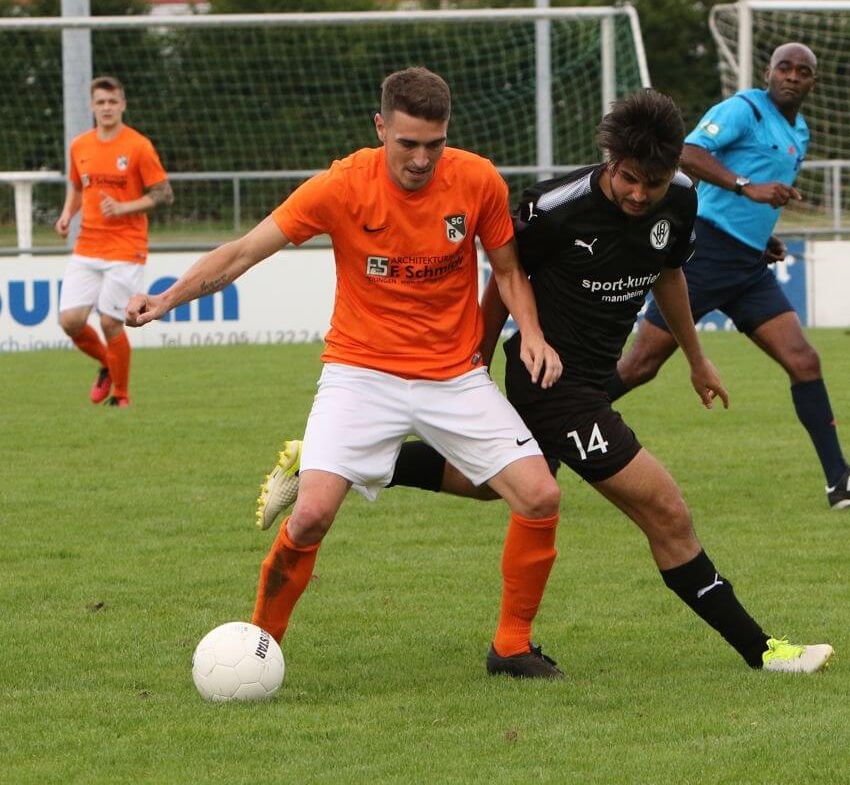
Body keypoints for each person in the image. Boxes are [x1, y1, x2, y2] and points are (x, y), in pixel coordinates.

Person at [258, 89, 834, 675]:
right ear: (610, 161)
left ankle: (330, 463)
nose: (639, 194)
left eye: (653, 183)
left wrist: (696, 357)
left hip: (594, 377)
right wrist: (477, 363)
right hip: (552, 383)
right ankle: (763, 652)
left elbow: (668, 276)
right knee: (666, 512)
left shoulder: (681, 198)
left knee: (493, 487)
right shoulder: (555, 207)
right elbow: (504, 280)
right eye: (629, 179)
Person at [127, 67, 567, 679]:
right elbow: (242, 253)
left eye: (434, 145)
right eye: (407, 143)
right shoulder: (340, 186)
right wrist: (164, 299)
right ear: (380, 126)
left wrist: (534, 336)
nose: (421, 159)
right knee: (309, 517)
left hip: (453, 377)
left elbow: (510, 271)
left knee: (540, 496)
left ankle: (512, 647)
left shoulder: (478, 179)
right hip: (360, 375)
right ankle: (259, 648)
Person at [609, 44, 850, 510]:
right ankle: (557, 423)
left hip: (747, 266)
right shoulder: (743, 109)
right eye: (784, 67)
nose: (792, 76)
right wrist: (747, 186)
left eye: (802, 72)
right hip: (703, 252)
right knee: (641, 365)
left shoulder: (799, 131)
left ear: (812, 83)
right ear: (769, 71)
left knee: (804, 360)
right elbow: (688, 151)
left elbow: (757, 197)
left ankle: (840, 480)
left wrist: (762, 237)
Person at [56, 76, 174, 408]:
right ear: (92, 106)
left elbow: (164, 193)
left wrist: (125, 207)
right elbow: (79, 187)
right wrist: (67, 215)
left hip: (126, 246)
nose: (107, 108)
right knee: (70, 321)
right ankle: (110, 364)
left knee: (111, 320)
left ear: (123, 104)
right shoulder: (80, 145)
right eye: (101, 102)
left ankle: (121, 396)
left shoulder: (138, 146)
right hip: (88, 244)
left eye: (113, 101)